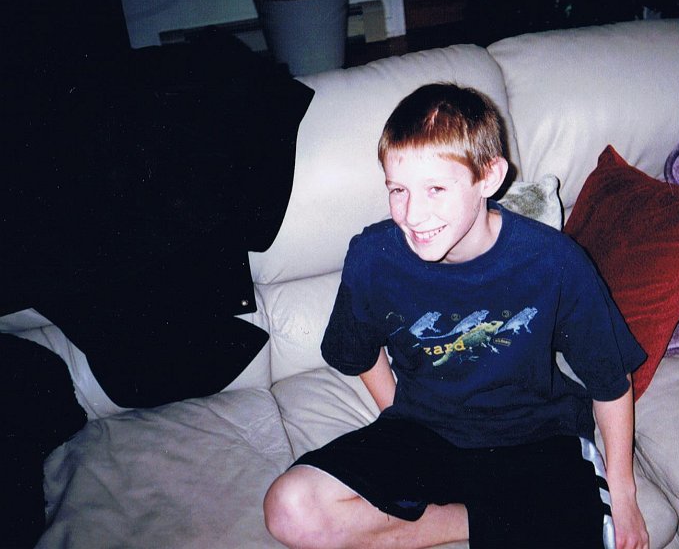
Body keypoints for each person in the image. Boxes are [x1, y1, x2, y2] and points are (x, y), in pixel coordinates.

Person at [264, 83, 649, 549]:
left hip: (535, 437)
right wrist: (396, 412)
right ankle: (485, 519)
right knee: (290, 508)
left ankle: (522, 513)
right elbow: (357, 353)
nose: (413, 214)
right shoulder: (373, 257)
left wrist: (625, 495)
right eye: (398, 190)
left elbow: (610, 380)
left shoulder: (554, 262)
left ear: (489, 177)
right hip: (426, 433)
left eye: (436, 189)